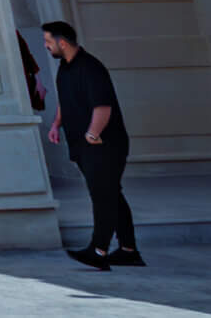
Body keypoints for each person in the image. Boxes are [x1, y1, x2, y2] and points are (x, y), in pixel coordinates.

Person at [43, 20, 141, 270]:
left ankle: (98, 251)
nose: (46, 46)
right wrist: (56, 125)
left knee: (102, 196)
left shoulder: (90, 67)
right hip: (84, 144)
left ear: (61, 42)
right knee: (111, 194)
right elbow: (65, 101)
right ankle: (128, 251)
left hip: (104, 144)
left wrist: (92, 135)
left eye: (48, 42)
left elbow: (103, 106)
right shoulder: (64, 68)